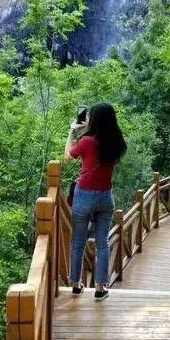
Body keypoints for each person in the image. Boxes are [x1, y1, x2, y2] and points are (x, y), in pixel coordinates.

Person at [64, 102, 127, 301]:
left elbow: (67, 156)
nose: (87, 118)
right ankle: (100, 287)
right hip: (105, 196)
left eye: (90, 116)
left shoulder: (87, 141)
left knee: (78, 243)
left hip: (84, 196)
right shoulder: (117, 143)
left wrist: (72, 132)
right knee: (103, 243)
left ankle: (75, 284)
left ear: (97, 119)